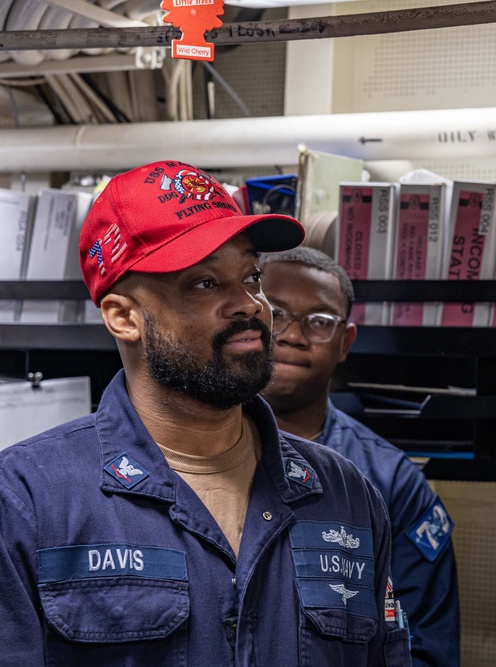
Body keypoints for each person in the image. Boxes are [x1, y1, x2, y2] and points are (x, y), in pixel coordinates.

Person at [0, 160, 410, 666]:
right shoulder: (28, 501)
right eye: (203, 284)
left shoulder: (345, 495)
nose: (249, 304)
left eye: (250, 276)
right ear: (125, 317)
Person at [259, 246, 460, 667]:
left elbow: (423, 647)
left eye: (319, 321)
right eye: (275, 313)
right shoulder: (193, 455)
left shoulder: (391, 482)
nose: (293, 334)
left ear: (345, 342)